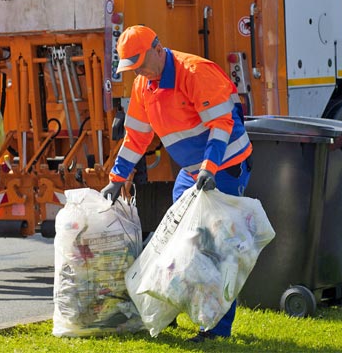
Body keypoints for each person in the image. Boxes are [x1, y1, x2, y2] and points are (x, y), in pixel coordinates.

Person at [100, 25, 252, 342]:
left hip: (224, 167)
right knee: (176, 242)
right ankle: (166, 312)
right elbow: (137, 138)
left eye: (141, 63)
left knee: (213, 250)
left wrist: (210, 169)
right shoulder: (145, 86)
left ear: (158, 48)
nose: (138, 71)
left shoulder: (195, 72)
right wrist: (117, 177)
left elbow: (221, 125)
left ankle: (215, 330)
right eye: (133, 67)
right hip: (193, 171)